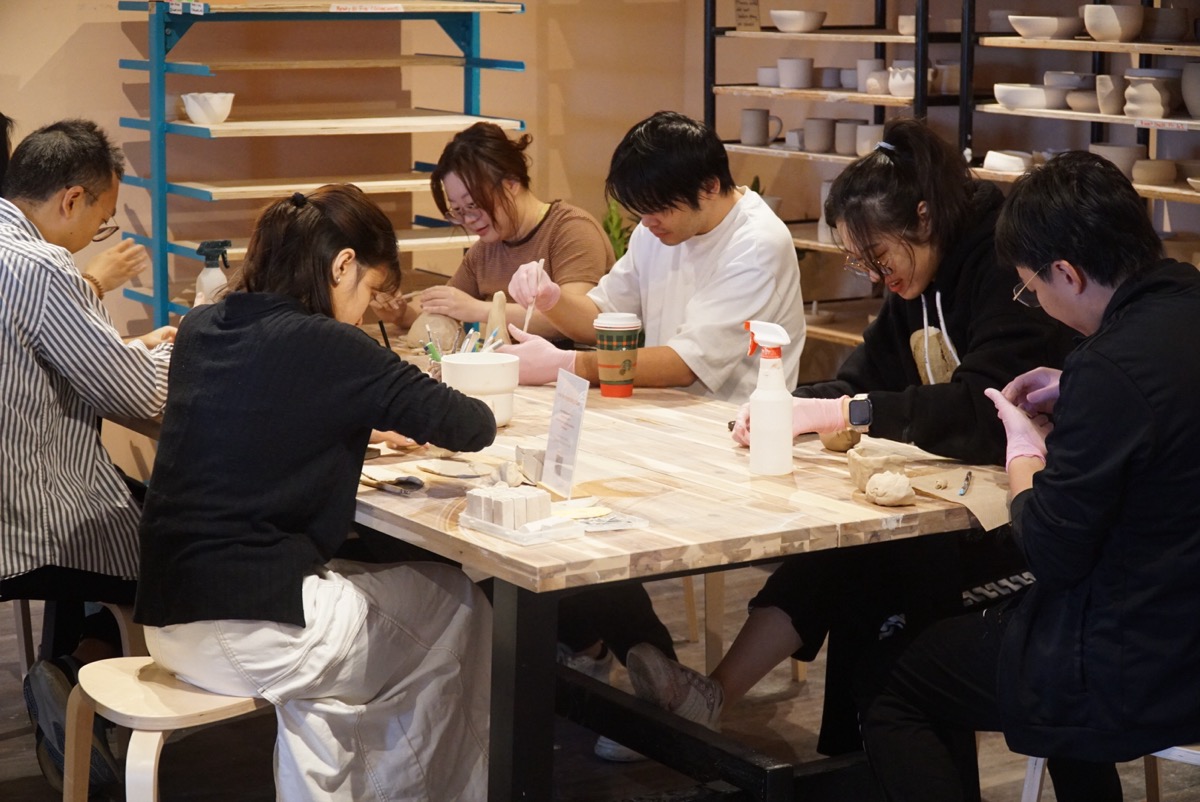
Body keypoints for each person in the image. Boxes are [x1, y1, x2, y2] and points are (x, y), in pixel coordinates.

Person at [623, 119, 1075, 754]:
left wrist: (843, 413)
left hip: (1034, 521)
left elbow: (983, 412)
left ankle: (756, 716)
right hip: (977, 499)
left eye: (877, 257)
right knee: (850, 551)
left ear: (922, 217)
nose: (874, 275)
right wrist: (791, 405)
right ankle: (724, 703)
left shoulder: (999, 264)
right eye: (862, 262)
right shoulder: (921, 267)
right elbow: (868, 372)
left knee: (872, 568)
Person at [134, 185, 497, 800]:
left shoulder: (202, 326)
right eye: (370, 292)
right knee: (459, 604)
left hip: (169, 617)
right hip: (254, 626)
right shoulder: (333, 344)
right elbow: (471, 425)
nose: (364, 312)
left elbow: (265, 404)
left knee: (347, 661)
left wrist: (357, 413)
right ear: (342, 264)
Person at [861, 150, 1200, 802]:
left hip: (1142, 663)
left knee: (894, 678)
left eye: (1032, 289)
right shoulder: (1179, 309)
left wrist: (1023, 451)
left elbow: (1049, 548)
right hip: (1179, 623)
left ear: (1067, 272)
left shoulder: (1111, 365)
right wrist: (1079, 387)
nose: (1036, 304)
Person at [0, 118, 175, 790]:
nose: (95, 237)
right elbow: (137, 395)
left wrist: (128, 352)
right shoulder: (43, 266)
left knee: (119, 507)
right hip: (27, 517)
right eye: (101, 222)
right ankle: (85, 686)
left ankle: (70, 677)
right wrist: (182, 349)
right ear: (71, 199)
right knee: (164, 540)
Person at [504, 109, 805, 402]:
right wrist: (551, 299)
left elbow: (686, 364)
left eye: (660, 208)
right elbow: (602, 318)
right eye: (641, 210)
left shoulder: (756, 245)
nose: (647, 222)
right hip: (665, 410)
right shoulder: (656, 230)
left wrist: (568, 364)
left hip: (734, 422)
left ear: (710, 187)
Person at [372, 121, 611, 341]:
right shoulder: (486, 249)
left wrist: (478, 309)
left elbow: (574, 321)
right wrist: (400, 312)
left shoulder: (571, 230)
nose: (469, 219)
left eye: (474, 205)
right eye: (458, 210)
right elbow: (447, 305)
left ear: (511, 183)